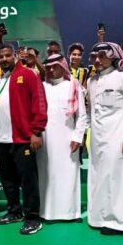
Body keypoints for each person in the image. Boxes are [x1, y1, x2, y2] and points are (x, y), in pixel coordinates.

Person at [86, 42, 123, 235]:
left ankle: (118, 222)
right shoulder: (91, 81)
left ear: (114, 57)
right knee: (98, 177)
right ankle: (99, 217)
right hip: (97, 138)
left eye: (102, 56)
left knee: (116, 179)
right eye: (94, 56)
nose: (97, 60)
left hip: (118, 137)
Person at [0, 45, 47, 234]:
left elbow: (39, 102)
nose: (4, 59)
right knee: (8, 179)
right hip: (2, 139)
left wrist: (37, 131)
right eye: (1, 56)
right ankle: (14, 211)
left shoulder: (28, 74)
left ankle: (33, 217)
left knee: (28, 179)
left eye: (7, 55)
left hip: (22, 138)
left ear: (15, 56)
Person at [37, 54, 88, 221]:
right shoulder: (42, 86)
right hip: (45, 139)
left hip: (68, 138)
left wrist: (77, 137)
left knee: (68, 174)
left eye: (55, 66)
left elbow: (81, 115)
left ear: (63, 66)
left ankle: (70, 213)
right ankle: (47, 212)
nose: (51, 70)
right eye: (49, 67)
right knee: (47, 174)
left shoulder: (73, 85)